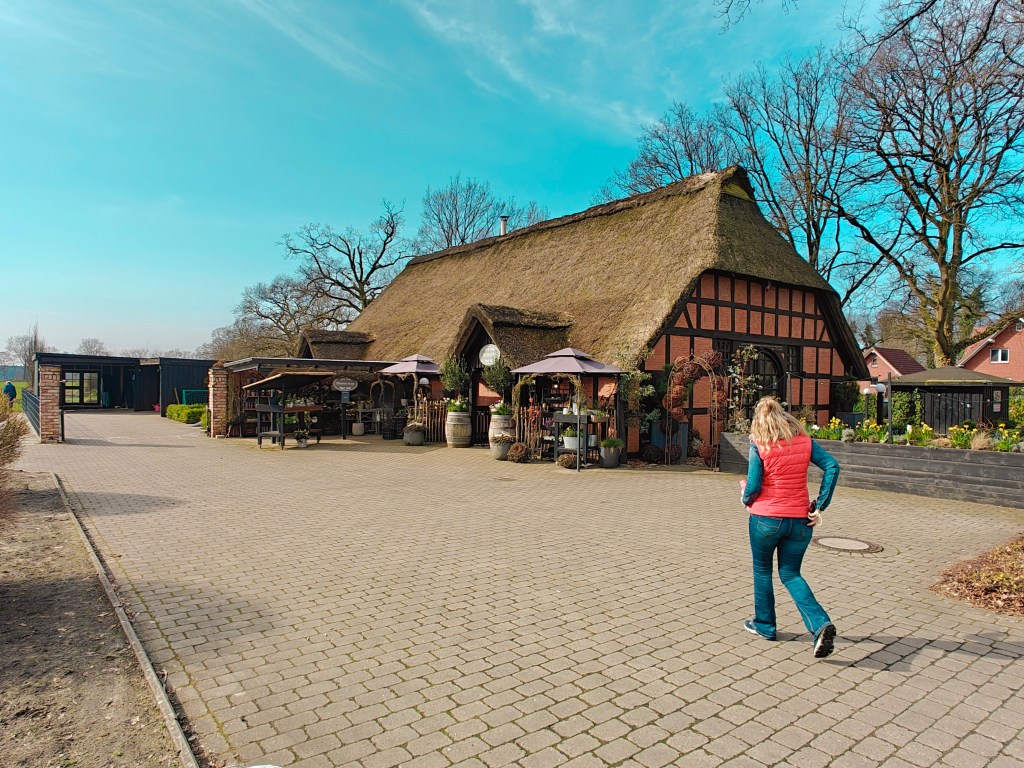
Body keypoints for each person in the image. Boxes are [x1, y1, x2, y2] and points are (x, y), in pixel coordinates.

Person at [740, 396, 840, 658]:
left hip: (766, 520)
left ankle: (765, 625)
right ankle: (820, 625)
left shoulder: (759, 444)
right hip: (800, 521)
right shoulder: (805, 441)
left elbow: (754, 485)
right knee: (791, 574)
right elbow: (832, 466)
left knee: (762, 571)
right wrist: (820, 505)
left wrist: (745, 498)